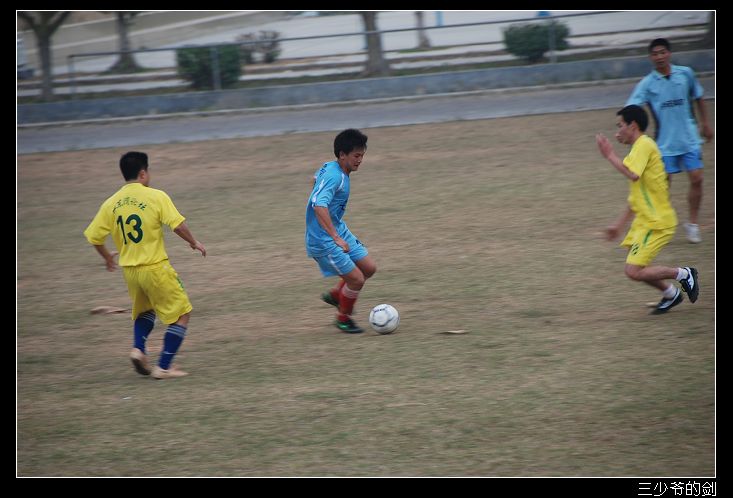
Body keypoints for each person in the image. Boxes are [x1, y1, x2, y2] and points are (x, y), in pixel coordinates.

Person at [84, 151, 206, 378]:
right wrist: (193, 242)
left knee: (146, 311)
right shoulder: (156, 196)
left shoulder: (111, 203)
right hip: (155, 268)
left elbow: (94, 237)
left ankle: (138, 349)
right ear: (143, 173)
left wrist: (108, 258)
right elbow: (178, 225)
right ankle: (164, 367)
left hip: (131, 272)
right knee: (182, 313)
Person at [596, 105, 699, 314]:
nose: (617, 132)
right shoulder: (639, 148)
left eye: (620, 126)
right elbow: (635, 199)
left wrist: (609, 155)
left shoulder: (644, 144)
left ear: (633, 126)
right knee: (637, 266)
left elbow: (632, 174)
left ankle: (684, 274)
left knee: (633, 271)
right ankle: (670, 294)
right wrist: (618, 226)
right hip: (646, 220)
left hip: (657, 222)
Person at [626, 38, 713, 243]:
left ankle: (692, 224)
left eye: (662, 52)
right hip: (664, 144)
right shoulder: (647, 83)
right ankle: (658, 223)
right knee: (661, 187)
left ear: (669, 53)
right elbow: (631, 108)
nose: (659, 57)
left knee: (697, 179)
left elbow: (699, 96)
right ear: (650, 57)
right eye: (655, 54)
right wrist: (630, 133)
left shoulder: (686, 74)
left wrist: (705, 123)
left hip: (689, 139)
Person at [305, 129, 377, 333]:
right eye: (356, 155)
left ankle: (338, 295)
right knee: (356, 280)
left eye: (362, 155)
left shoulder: (330, 167)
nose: (360, 160)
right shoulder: (335, 177)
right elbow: (319, 205)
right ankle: (343, 318)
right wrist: (335, 237)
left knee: (369, 268)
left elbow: (315, 180)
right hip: (324, 240)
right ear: (342, 154)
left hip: (338, 229)